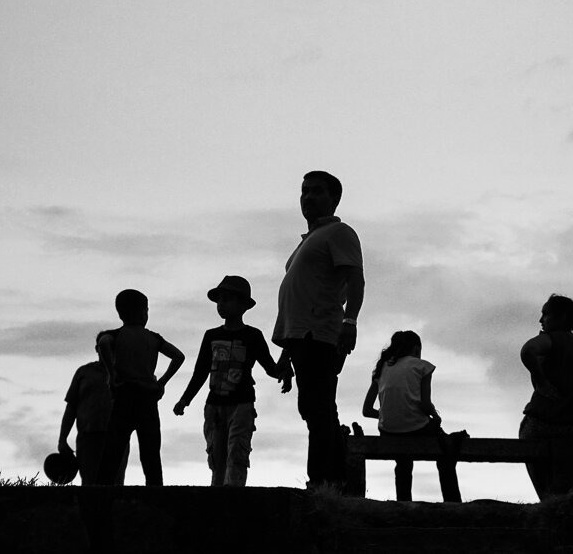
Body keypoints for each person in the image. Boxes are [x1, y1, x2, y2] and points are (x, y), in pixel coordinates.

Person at [272, 171, 364, 491]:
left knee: (319, 406)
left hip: (321, 334)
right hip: (301, 337)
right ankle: (330, 478)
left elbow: (355, 280)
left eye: (316, 191)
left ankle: (326, 480)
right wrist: (286, 353)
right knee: (313, 407)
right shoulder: (310, 240)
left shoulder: (339, 233)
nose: (308, 197)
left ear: (334, 198)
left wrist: (350, 322)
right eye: (304, 191)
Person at [173, 276, 292, 487]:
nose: (221, 305)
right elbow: (200, 372)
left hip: (242, 404)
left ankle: (234, 495)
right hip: (214, 405)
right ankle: (218, 495)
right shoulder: (211, 336)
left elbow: (269, 367)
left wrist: (284, 369)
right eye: (219, 300)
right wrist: (185, 400)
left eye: (227, 299)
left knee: (237, 452)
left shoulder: (253, 336)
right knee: (216, 457)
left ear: (244, 305)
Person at [96, 289, 185, 486]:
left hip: (124, 396)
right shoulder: (153, 338)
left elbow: (103, 342)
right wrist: (161, 382)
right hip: (147, 398)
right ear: (144, 311)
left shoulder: (116, 335)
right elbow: (179, 356)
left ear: (120, 313)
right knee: (151, 451)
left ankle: (101, 492)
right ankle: (155, 492)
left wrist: (112, 374)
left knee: (113, 449)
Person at [362, 331, 462, 502]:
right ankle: (452, 501)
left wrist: (386, 414)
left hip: (388, 431)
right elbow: (425, 405)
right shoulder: (422, 366)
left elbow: (366, 410)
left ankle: (403, 502)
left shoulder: (382, 369)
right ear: (416, 349)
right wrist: (435, 417)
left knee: (403, 462)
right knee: (445, 451)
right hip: (417, 428)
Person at [519, 294, 573, 499]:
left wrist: (542, 381)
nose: (541, 320)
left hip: (550, 421)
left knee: (526, 432)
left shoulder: (552, 339)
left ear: (560, 317)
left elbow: (527, 350)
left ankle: (545, 497)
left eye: (545, 314)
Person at [58, 332, 129, 485]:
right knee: (90, 483)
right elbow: (71, 408)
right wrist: (62, 438)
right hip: (88, 437)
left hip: (117, 436)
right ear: (97, 349)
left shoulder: (125, 374)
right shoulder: (84, 373)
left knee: (116, 483)